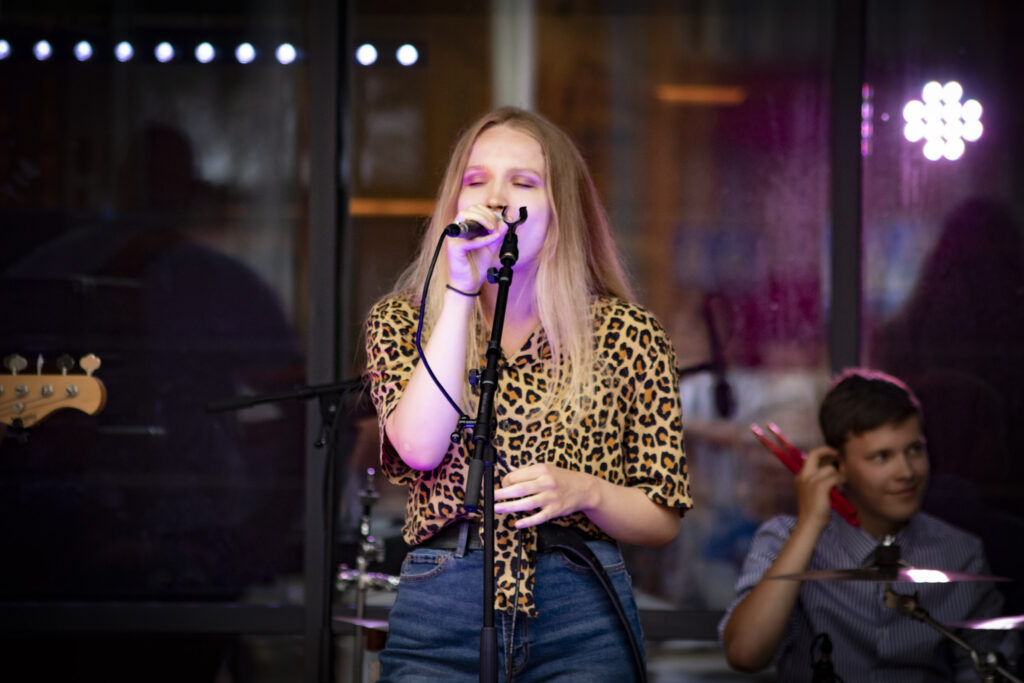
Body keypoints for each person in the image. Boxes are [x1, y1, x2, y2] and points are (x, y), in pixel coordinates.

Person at [363, 106, 692, 681]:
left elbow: (662, 516)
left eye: (522, 182)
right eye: (476, 180)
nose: (495, 197)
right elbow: (419, 447)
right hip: (444, 596)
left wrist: (585, 491)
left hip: (579, 602)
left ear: (562, 208)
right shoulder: (403, 321)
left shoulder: (627, 333)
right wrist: (460, 290)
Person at [719, 369, 1015, 682]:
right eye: (882, 457)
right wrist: (810, 524)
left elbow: (990, 670)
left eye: (914, 450)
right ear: (837, 466)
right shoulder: (784, 539)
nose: (906, 472)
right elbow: (745, 654)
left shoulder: (961, 553)